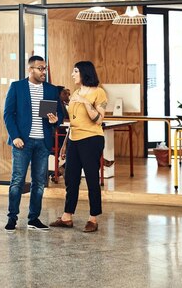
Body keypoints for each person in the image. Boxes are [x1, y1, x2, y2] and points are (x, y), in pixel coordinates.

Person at [3, 55, 63, 232]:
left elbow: (59, 115)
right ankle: (12, 218)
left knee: (39, 183)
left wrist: (55, 120)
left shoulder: (51, 90)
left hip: (43, 143)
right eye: (40, 68)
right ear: (30, 69)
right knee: (17, 181)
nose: (44, 72)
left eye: (45, 68)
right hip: (22, 142)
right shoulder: (17, 87)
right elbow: (8, 114)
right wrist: (15, 136)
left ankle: (34, 219)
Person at [50, 61, 107, 233]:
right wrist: (65, 144)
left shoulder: (99, 92)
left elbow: (98, 119)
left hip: (91, 139)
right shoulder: (75, 92)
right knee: (71, 178)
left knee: (91, 179)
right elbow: (74, 121)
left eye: (75, 71)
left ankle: (93, 218)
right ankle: (67, 216)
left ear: (84, 72)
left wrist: (85, 102)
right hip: (74, 139)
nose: (72, 74)